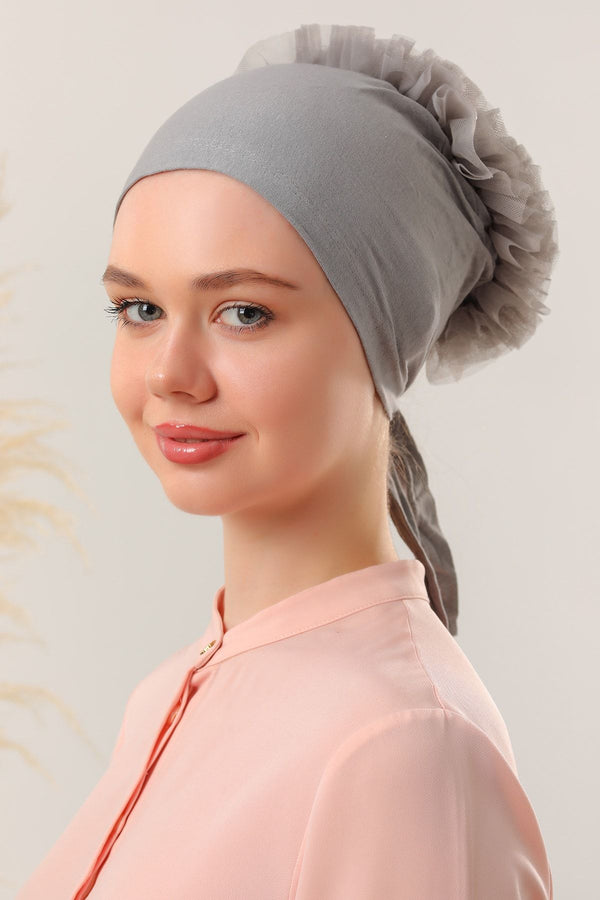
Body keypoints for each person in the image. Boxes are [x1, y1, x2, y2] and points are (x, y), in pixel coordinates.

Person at [18, 23, 558, 899]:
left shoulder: (401, 747)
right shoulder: (171, 693)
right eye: (140, 309)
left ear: (385, 339)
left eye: (244, 313)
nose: (170, 374)